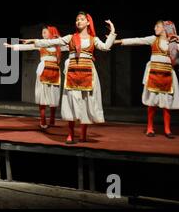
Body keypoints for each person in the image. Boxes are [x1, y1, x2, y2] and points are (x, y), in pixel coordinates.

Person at [22, 12, 116, 144]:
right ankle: (71, 134)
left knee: (85, 103)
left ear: (88, 22)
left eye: (82, 19)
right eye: (77, 19)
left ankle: (83, 134)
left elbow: (105, 47)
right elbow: (53, 41)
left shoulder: (93, 39)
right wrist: (35, 41)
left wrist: (112, 32)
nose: (79, 21)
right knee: (71, 103)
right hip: (72, 74)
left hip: (88, 74)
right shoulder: (70, 37)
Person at [114, 21, 179, 138]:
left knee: (166, 104)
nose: (155, 28)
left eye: (157, 26)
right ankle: (150, 128)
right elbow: (138, 40)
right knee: (152, 104)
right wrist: (118, 41)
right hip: (154, 74)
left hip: (167, 76)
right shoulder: (154, 39)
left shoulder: (173, 43)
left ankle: (167, 129)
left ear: (165, 29)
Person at [5, 25, 66, 129]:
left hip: (55, 72)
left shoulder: (58, 45)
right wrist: (12, 46)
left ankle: (52, 119)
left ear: (51, 32)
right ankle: (42, 119)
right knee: (42, 95)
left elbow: (70, 46)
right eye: (42, 32)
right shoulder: (40, 44)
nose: (43, 34)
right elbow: (27, 47)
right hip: (43, 71)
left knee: (54, 96)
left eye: (45, 32)